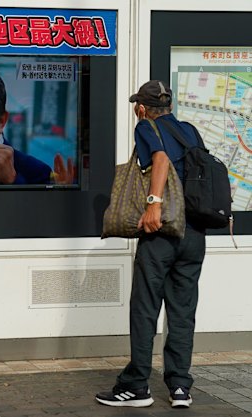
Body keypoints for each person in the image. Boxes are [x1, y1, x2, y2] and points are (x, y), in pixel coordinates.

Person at [95, 80, 206, 408]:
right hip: (194, 235)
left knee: (145, 308)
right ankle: (180, 387)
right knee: (182, 311)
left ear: (141, 108)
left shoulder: (147, 127)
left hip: (161, 234)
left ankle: (136, 385)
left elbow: (159, 160)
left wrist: (153, 203)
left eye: (136, 106)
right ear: (169, 105)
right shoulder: (190, 131)